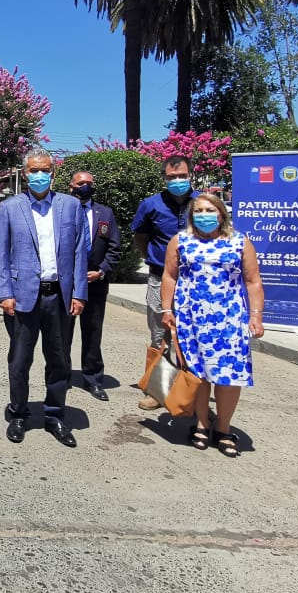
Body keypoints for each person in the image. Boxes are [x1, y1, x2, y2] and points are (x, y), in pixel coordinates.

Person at [161, 193, 265, 457]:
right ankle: (201, 423)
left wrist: (256, 316)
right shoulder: (181, 241)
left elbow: (253, 281)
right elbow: (169, 276)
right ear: (191, 215)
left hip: (229, 318)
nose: (204, 215)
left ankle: (223, 427)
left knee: (228, 375)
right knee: (198, 372)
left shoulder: (239, 242)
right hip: (191, 317)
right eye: (199, 210)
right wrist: (166, 308)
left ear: (221, 214)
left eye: (210, 210)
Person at [0, 147, 87, 447]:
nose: (39, 175)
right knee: (20, 360)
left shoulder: (71, 206)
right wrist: (5, 293)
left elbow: (78, 253)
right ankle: (19, 413)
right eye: (33, 170)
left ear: (53, 171)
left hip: (59, 297)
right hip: (22, 297)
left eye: (44, 169)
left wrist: (78, 293)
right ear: (25, 174)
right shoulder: (10, 208)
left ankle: (54, 415)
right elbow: (3, 254)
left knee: (59, 359)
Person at [131, 155, 198, 410]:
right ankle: (156, 392)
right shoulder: (151, 205)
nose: (177, 181)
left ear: (190, 174)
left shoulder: (202, 203)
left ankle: (190, 393)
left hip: (195, 283)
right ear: (164, 178)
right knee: (160, 334)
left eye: (182, 176)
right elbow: (140, 235)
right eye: (172, 177)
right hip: (160, 278)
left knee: (191, 335)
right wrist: (151, 257)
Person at [68, 170, 121, 401]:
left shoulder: (105, 213)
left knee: (92, 332)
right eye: (81, 183)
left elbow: (114, 247)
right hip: (67, 283)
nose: (85, 186)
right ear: (71, 185)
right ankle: (61, 375)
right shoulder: (62, 209)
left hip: (96, 283)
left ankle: (93, 379)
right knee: (62, 332)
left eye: (89, 183)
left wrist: (101, 270)